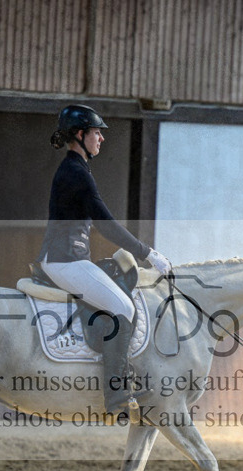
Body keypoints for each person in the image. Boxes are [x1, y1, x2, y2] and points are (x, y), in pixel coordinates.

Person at [38, 104, 173, 414]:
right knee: (122, 307)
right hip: (63, 261)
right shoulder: (75, 172)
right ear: (80, 134)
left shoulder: (79, 169)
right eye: (97, 133)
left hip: (70, 258)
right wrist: (147, 253)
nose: (101, 138)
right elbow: (105, 223)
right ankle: (117, 396)